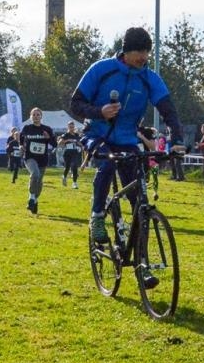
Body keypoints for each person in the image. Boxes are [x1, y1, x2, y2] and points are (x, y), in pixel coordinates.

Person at [68, 27, 184, 289]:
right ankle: (97, 216)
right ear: (126, 51)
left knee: (139, 202)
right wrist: (99, 111)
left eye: (146, 52)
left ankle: (142, 264)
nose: (143, 57)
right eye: (139, 52)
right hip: (97, 134)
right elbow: (75, 104)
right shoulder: (102, 69)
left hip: (127, 139)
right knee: (108, 162)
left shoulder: (149, 78)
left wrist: (177, 141)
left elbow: (169, 111)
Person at [18, 108, 58, 215]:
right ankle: (31, 197)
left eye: (38, 115)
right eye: (34, 115)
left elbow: (55, 144)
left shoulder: (47, 129)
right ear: (31, 116)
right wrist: (21, 145)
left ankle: (35, 200)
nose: (36, 116)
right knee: (35, 174)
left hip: (43, 159)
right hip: (30, 157)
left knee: (39, 181)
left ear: (41, 116)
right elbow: (21, 138)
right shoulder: (27, 128)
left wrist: (48, 138)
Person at [59, 121, 83, 187]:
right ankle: (64, 176)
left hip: (75, 152)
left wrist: (81, 145)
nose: (71, 128)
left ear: (74, 127)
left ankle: (74, 183)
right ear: (68, 127)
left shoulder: (76, 135)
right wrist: (68, 140)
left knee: (75, 166)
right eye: (70, 127)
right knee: (67, 167)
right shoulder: (65, 135)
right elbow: (60, 143)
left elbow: (79, 142)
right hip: (67, 153)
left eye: (72, 127)